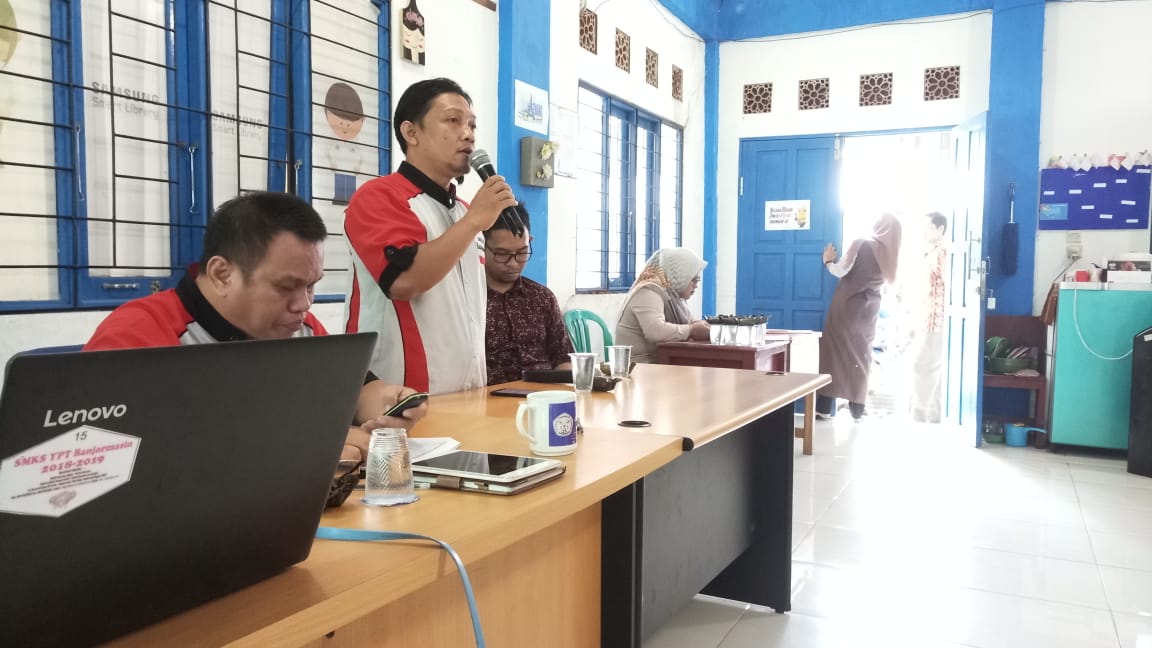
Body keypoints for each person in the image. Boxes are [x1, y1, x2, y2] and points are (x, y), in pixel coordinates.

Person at [84, 191, 427, 463]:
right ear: (222, 274)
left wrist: (384, 404)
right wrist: (309, 445)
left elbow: (351, 390)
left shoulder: (301, 328)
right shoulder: (137, 338)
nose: (303, 304)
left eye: (311, 286)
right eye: (286, 286)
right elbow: (105, 458)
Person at [344, 77, 518, 394]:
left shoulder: (465, 212)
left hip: (468, 396)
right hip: (396, 401)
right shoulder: (378, 197)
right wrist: (475, 221)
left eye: (472, 125)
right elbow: (404, 282)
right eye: (453, 120)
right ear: (411, 132)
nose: (468, 134)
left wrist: (473, 219)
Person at [816, 213, 902, 422]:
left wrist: (828, 261)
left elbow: (840, 270)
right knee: (861, 358)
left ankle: (824, 408)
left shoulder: (861, 244)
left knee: (833, 356)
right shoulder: (890, 257)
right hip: (868, 313)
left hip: (846, 309)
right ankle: (857, 410)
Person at [483, 205, 573, 385]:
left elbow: (563, 358)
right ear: (481, 246)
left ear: (530, 240)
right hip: (488, 397)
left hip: (543, 395)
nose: (513, 263)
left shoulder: (542, 298)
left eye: (522, 252)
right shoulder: (468, 300)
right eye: (502, 254)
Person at [614, 248, 710, 363]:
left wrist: (704, 327)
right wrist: (692, 330)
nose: (696, 285)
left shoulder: (674, 297)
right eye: (693, 280)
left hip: (660, 362)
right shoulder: (648, 292)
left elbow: (690, 323)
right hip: (638, 366)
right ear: (680, 276)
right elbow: (656, 331)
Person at [910, 212, 947, 423]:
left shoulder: (942, 252)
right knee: (930, 366)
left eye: (929, 227)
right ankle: (931, 412)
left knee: (924, 364)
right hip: (927, 317)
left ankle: (922, 411)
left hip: (937, 319)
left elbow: (947, 284)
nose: (924, 232)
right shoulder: (930, 252)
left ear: (940, 229)